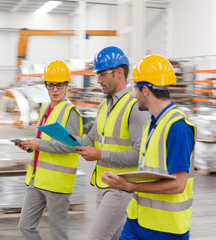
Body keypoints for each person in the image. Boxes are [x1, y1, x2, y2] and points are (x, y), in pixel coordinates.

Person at [101, 55, 196, 240]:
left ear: (145, 90)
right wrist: (120, 179)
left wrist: (130, 185)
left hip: (166, 229)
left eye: (135, 89)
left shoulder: (178, 127)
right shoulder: (150, 125)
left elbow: (178, 184)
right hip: (138, 220)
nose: (134, 95)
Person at [74, 46, 149, 240]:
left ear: (119, 73)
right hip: (102, 185)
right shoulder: (103, 107)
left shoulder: (135, 107)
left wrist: (99, 155)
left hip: (121, 187)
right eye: (98, 75)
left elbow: (140, 154)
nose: (98, 80)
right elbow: (90, 140)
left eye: (102, 75)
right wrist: (62, 138)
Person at [16, 60, 83, 240]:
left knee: (58, 234)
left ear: (67, 85)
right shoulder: (46, 108)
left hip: (57, 183)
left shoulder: (71, 112)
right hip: (37, 179)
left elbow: (73, 146)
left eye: (59, 85)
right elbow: (42, 140)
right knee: (26, 226)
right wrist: (30, 146)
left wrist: (39, 145)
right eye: (51, 85)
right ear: (45, 85)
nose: (55, 89)